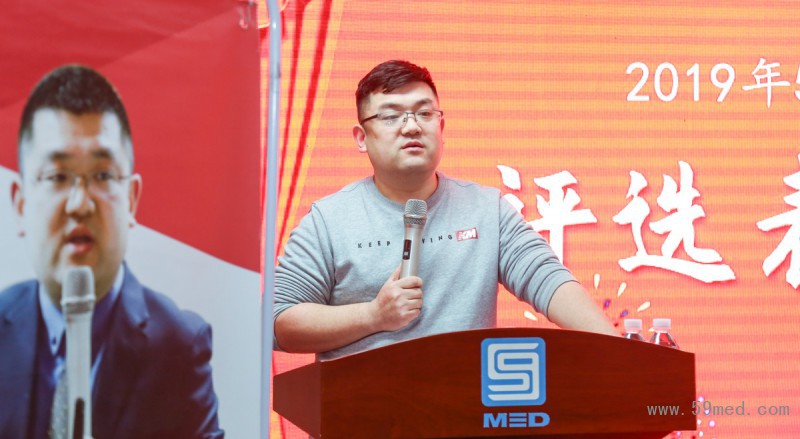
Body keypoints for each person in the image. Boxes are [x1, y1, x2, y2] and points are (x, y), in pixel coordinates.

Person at [273, 60, 617, 361]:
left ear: (441, 127)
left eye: (424, 113)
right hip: (362, 408)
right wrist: (373, 315)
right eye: (391, 116)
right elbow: (278, 321)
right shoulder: (328, 220)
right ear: (361, 137)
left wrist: (622, 353)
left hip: (465, 405)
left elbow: (548, 281)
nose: (411, 126)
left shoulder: (487, 209)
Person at [0, 65, 223, 439]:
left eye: (102, 176)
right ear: (21, 204)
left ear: (131, 199)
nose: (79, 203)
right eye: (57, 177)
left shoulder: (179, 345)